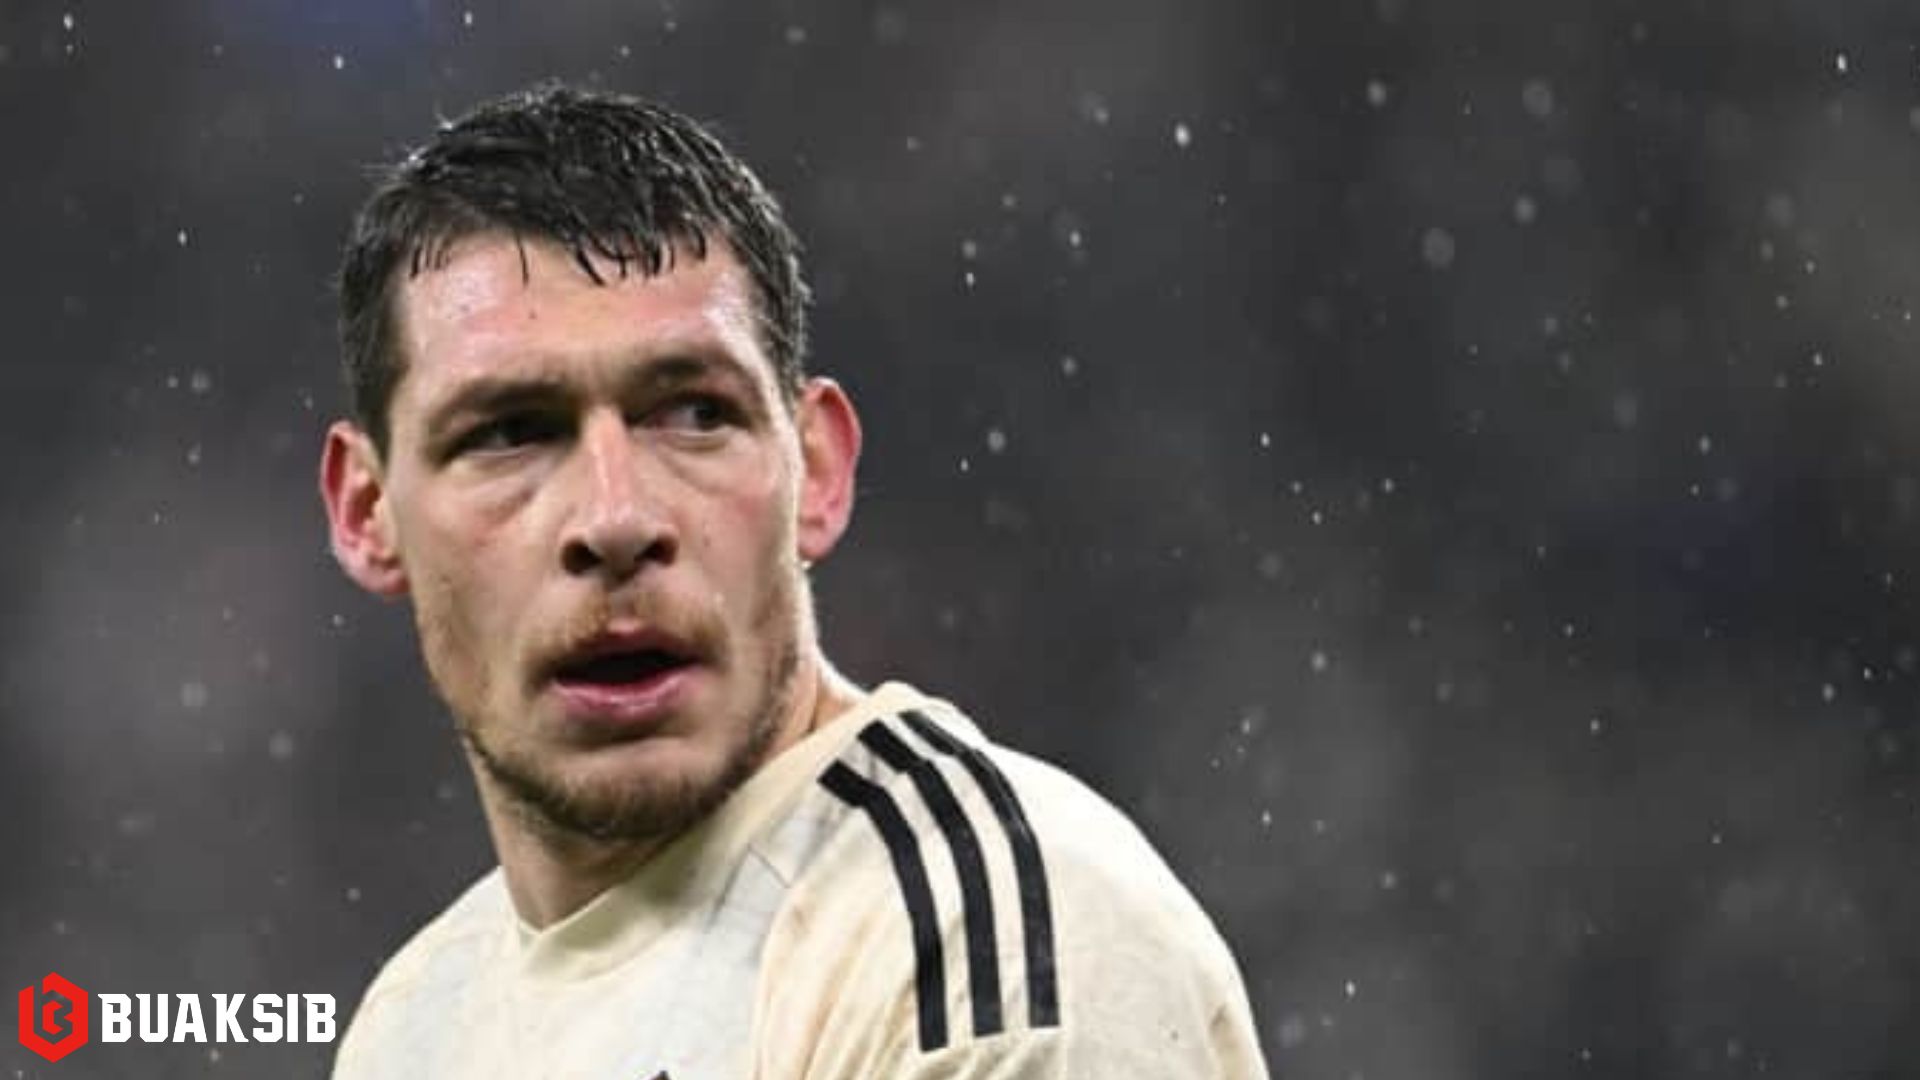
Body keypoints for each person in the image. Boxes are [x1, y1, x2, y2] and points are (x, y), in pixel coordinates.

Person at [319, 82, 1269, 1079]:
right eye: (512, 432)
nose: (615, 518)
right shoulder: (414, 1022)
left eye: (694, 415)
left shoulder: (981, 948)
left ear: (817, 469)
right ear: (366, 511)